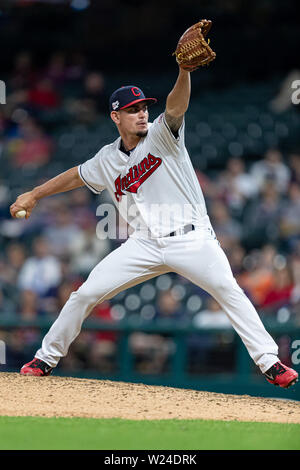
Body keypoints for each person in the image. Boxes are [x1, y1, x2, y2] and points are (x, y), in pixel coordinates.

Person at [10, 59, 298, 389]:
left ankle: (270, 362)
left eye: (144, 107)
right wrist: (35, 193)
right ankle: (46, 358)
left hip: (191, 239)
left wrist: (184, 72)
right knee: (84, 294)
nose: (142, 113)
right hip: (144, 243)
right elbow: (76, 175)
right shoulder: (106, 158)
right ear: (115, 117)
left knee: (229, 290)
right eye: (133, 109)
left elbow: (176, 107)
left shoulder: (162, 135)